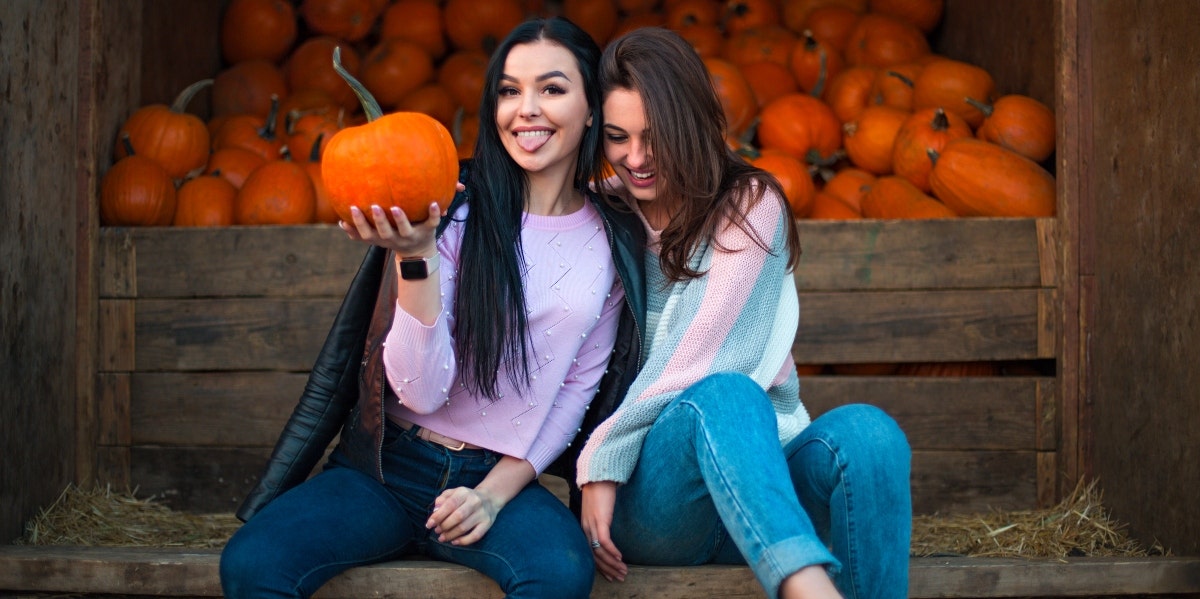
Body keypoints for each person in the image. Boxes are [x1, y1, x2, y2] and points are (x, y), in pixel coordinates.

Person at [219, 17, 647, 599]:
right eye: (509, 90)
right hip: (387, 471)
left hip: (500, 478)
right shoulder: (450, 207)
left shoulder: (613, 236)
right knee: (253, 565)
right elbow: (420, 393)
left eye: (551, 89)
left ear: (592, 107)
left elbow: (574, 392)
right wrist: (417, 256)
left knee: (559, 573)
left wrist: (492, 495)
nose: (526, 109)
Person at [574, 27, 913, 599]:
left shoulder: (750, 205)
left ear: (691, 123)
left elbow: (707, 351)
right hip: (656, 501)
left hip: (762, 487)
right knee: (725, 394)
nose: (634, 158)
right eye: (616, 138)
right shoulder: (599, 213)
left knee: (871, 435)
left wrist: (602, 451)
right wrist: (608, 460)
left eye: (654, 137)